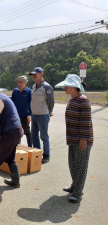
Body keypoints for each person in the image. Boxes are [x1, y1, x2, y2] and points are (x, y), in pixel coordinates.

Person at [55, 74, 93, 203]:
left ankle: (78, 193)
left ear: (74, 87)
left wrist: (83, 138)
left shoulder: (83, 100)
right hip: (72, 138)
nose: (65, 87)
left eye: (67, 85)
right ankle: (74, 186)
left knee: (81, 166)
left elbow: (86, 121)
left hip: (82, 140)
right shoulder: (72, 100)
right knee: (73, 164)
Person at [29, 67, 55, 164]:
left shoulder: (47, 87)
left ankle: (46, 155)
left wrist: (49, 111)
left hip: (43, 115)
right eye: (33, 74)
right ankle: (37, 154)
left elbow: (51, 101)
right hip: (34, 115)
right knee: (34, 136)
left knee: (44, 137)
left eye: (36, 74)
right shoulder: (34, 86)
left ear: (41, 74)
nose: (34, 76)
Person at [11, 75, 32, 147]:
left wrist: (30, 114)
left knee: (27, 132)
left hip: (25, 116)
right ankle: (17, 147)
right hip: (16, 116)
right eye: (19, 82)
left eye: (22, 82)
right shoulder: (15, 91)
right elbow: (12, 103)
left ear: (25, 83)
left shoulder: (29, 92)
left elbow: (30, 104)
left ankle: (30, 147)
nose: (20, 84)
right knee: (17, 132)